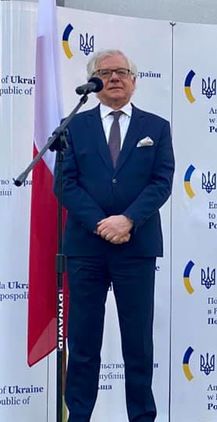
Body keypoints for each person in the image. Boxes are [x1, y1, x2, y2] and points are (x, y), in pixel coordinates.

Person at [57, 49, 174, 422]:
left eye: (122, 72)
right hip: (86, 247)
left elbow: (162, 182)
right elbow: (65, 184)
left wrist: (127, 221)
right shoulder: (72, 127)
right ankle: (79, 416)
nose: (114, 78)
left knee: (138, 342)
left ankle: (141, 416)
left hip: (136, 246)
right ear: (93, 83)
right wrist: (100, 223)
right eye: (105, 73)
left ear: (135, 80)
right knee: (83, 341)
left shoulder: (156, 127)